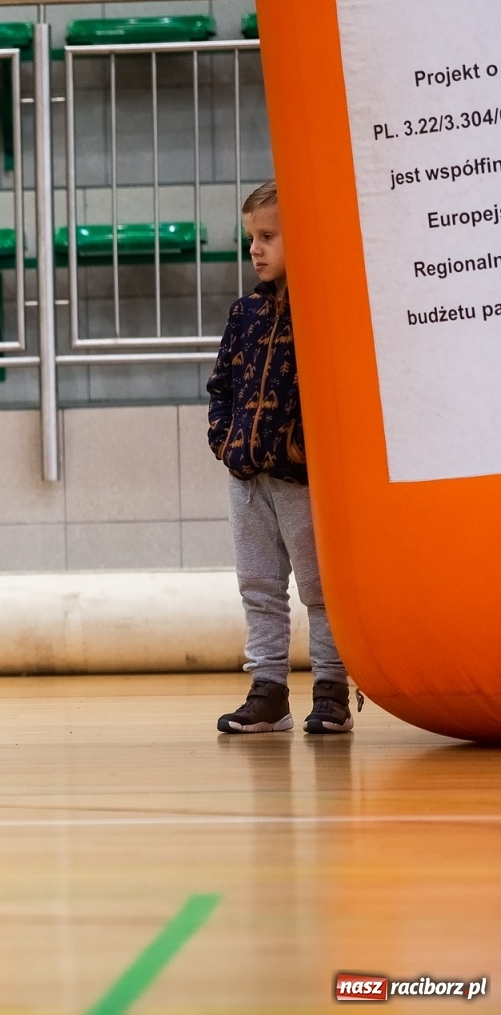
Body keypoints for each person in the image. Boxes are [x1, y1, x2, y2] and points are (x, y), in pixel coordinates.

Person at [207, 181, 352, 735]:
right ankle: (268, 689)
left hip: (302, 481)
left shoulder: (322, 313)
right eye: (251, 239)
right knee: (259, 586)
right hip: (247, 478)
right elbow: (220, 385)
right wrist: (225, 440)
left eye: (268, 237)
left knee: (319, 589)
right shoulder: (245, 312)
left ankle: (332, 689)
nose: (256, 250)